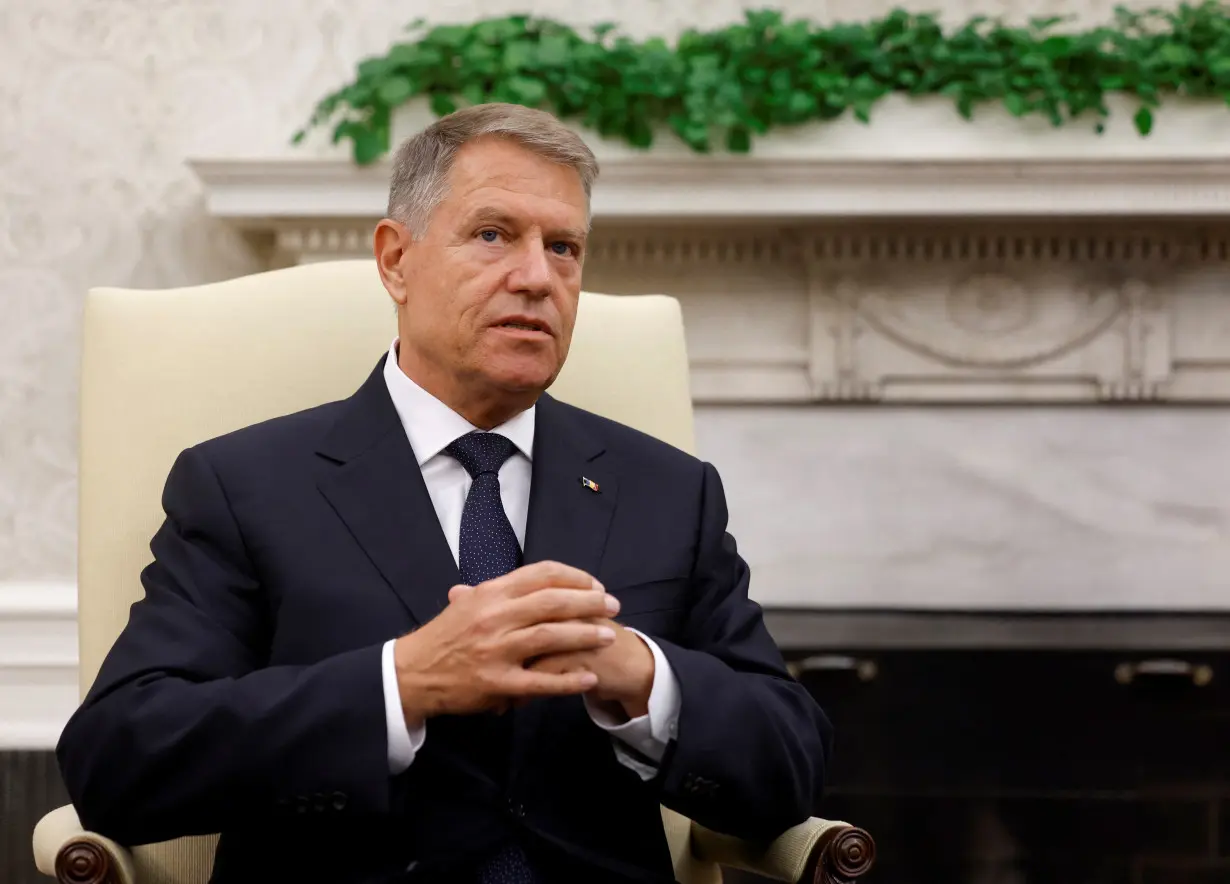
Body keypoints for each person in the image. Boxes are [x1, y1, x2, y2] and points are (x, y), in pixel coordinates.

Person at [56, 102, 833, 884]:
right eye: (493, 234)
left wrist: (643, 678)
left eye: (563, 247)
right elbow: (122, 757)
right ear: (396, 260)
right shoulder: (245, 485)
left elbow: (792, 760)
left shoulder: (669, 490)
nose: (537, 277)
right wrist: (403, 681)